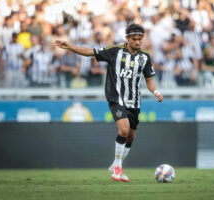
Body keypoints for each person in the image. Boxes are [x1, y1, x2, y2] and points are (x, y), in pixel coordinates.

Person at [54, 23, 163, 182]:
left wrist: (155, 92)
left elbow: (149, 81)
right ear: (127, 38)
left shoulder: (145, 57)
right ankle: (117, 169)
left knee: (131, 136)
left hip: (134, 102)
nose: (138, 42)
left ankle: (116, 165)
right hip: (116, 97)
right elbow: (90, 52)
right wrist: (71, 46)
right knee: (124, 130)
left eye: (140, 39)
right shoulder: (115, 52)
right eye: (134, 39)